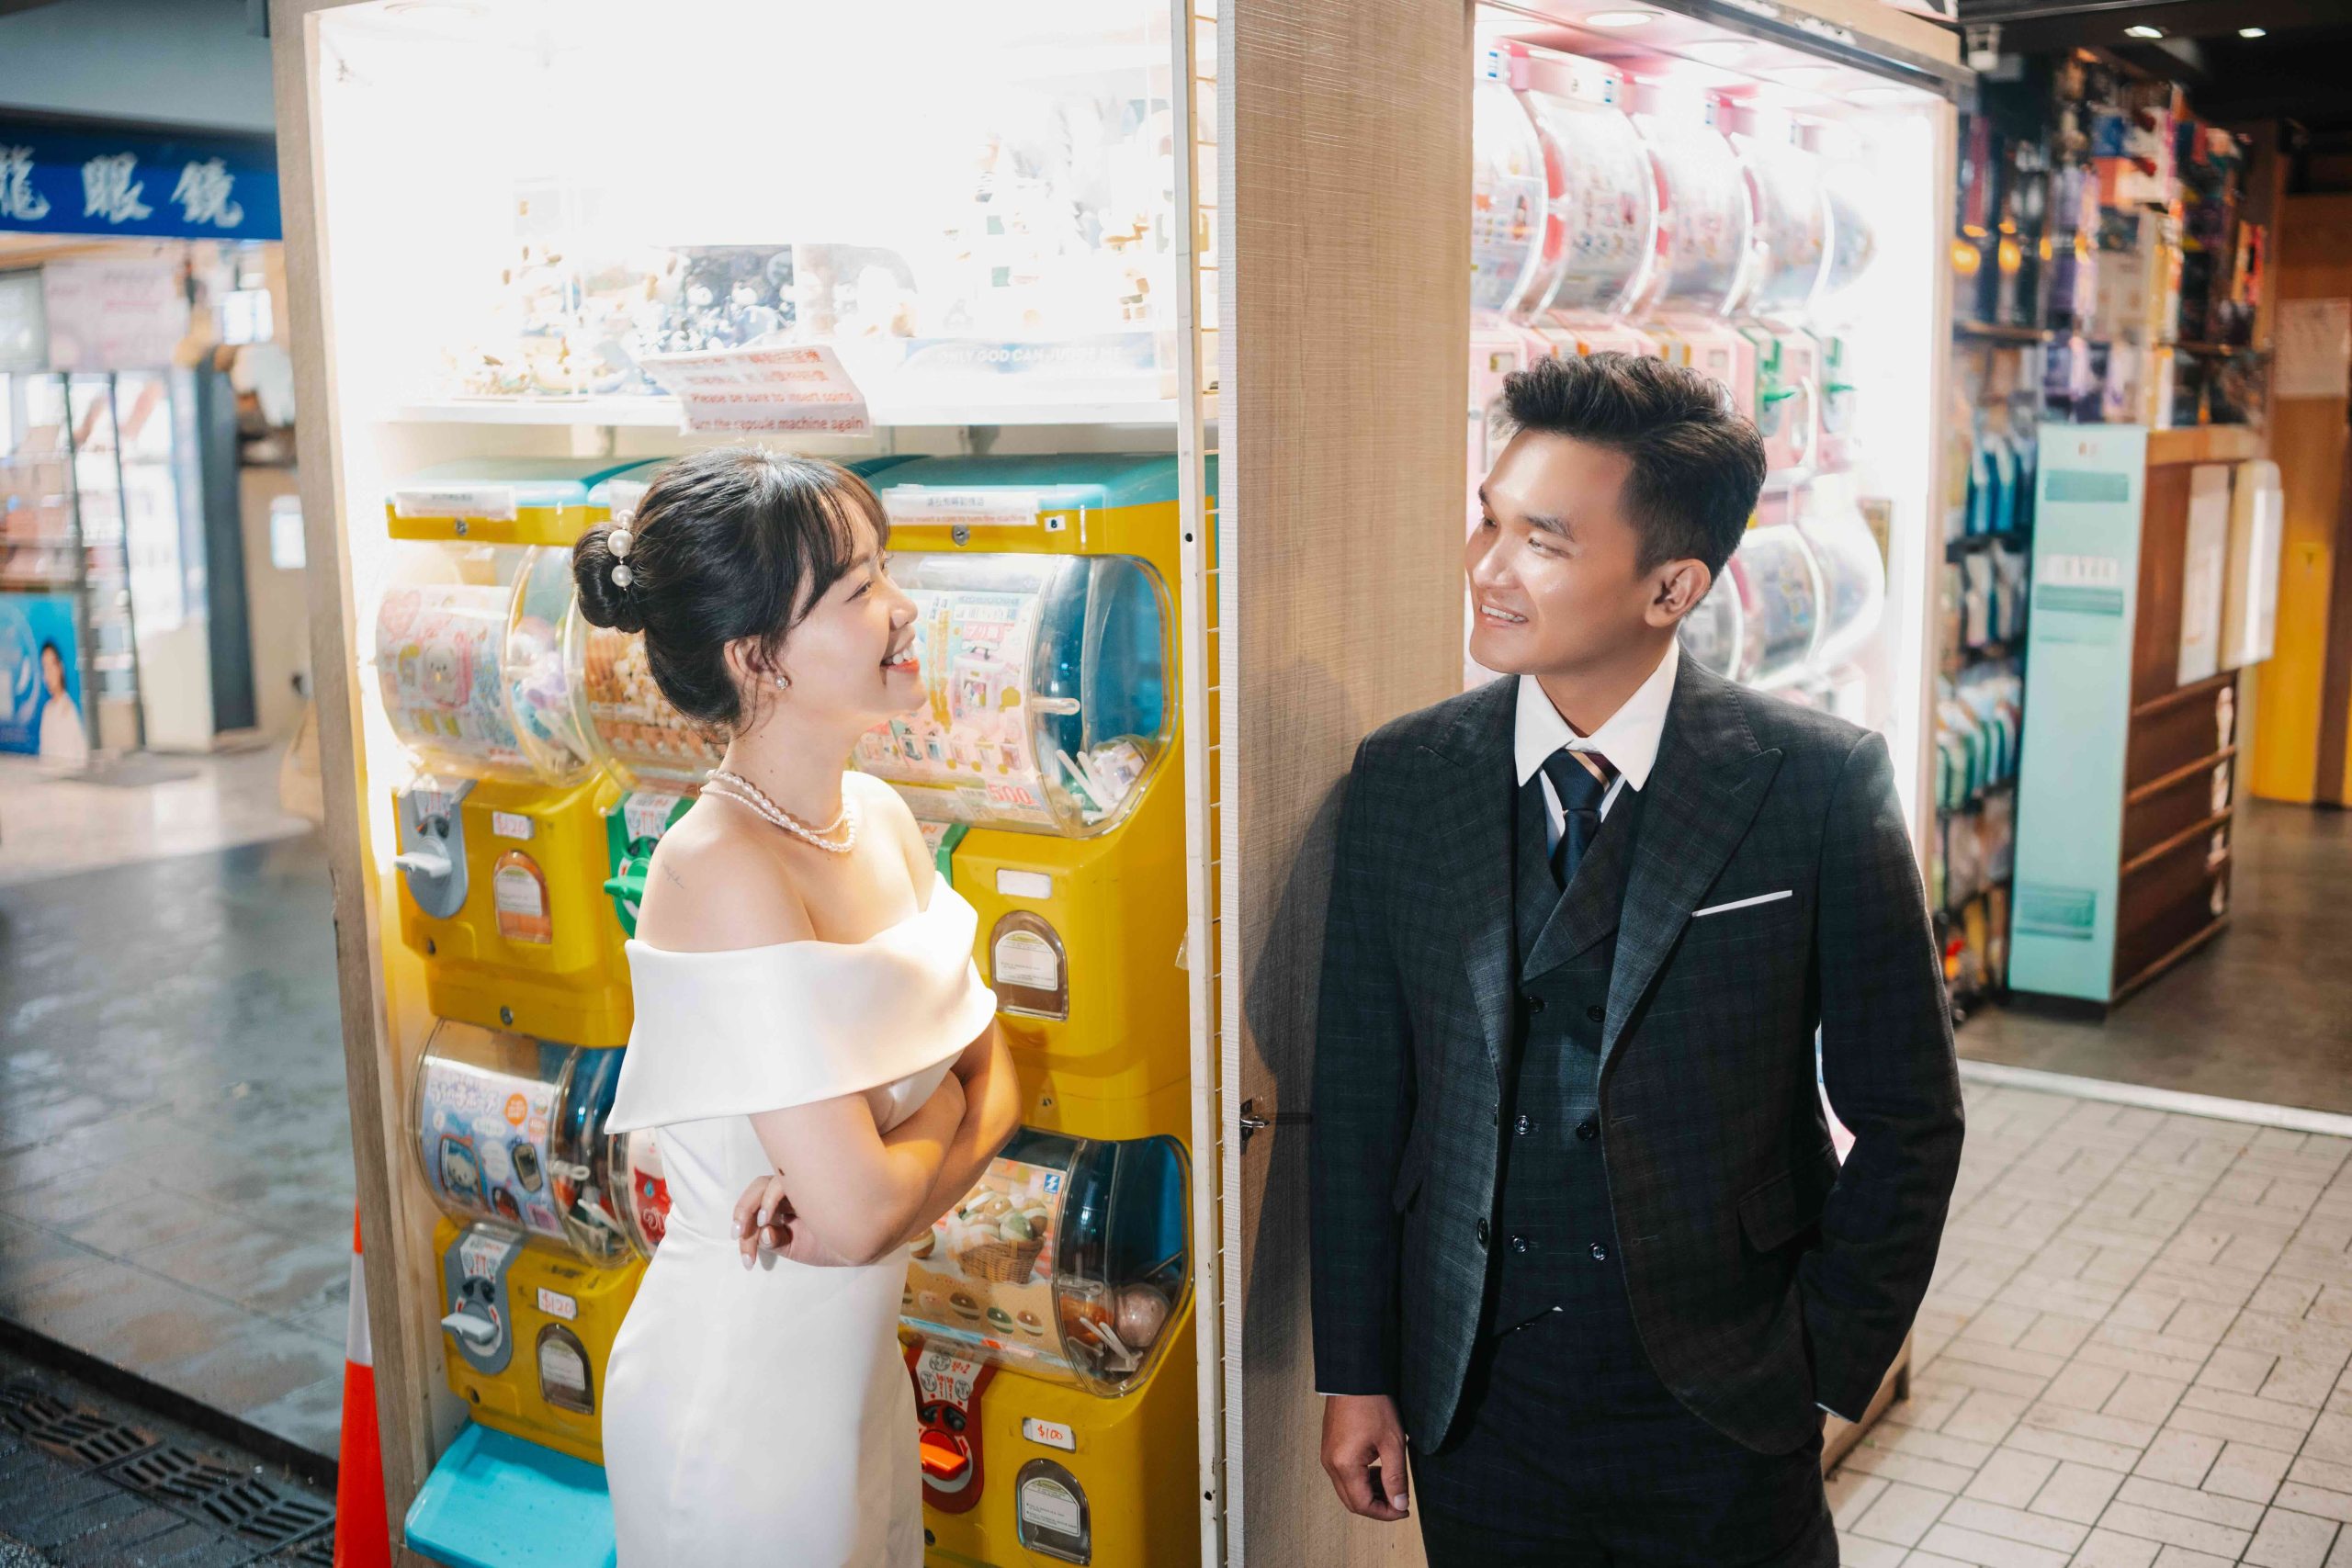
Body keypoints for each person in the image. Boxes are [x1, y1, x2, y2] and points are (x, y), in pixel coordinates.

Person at [1310, 353, 1963, 1566]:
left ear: (1672, 586)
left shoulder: (1814, 783)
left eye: (1543, 541)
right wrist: (1358, 1371)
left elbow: (1910, 1113)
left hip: (1723, 1399)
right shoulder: (1404, 777)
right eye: (1490, 520)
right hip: (1477, 1401)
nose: (1488, 567)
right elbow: (1358, 1101)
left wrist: (1821, 1360)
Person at [578, 449, 1023, 1566]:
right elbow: (874, 1202)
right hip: (736, 1407)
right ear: (756, 658)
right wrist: (913, 1136)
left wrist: (877, 1166)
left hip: (857, 1388)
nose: (902, 607)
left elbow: (1004, 1090)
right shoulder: (717, 866)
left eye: (885, 571)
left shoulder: (879, 819)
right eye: (859, 587)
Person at [36, 640, 87, 769]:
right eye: (44, 667)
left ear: (60, 668)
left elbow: (73, 762)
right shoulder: (48, 709)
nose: (48, 674)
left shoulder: (69, 710)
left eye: (51, 666)